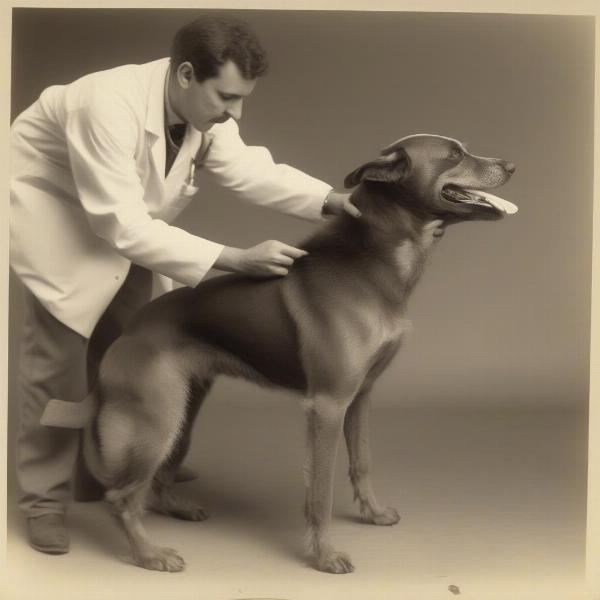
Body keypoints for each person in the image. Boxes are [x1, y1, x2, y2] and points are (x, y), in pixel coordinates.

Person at [9, 15, 360, 555]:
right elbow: (119, 224)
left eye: (243, 98)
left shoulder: (202, 110)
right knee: (58, 366)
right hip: (61, 221)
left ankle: (99, 474)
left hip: (128, 225)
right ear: (186, 75)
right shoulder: (103, 104)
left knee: (130, 355)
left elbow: (247, 169)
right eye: (227, 97)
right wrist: (232, 258)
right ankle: (43, 503)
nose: (235, 112)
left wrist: (328, 199)